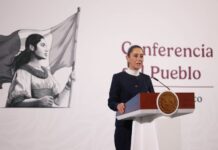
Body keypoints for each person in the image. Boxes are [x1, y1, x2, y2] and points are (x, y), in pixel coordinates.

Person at [6, 33, 74, 107]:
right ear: (32, 47)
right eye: (42, 45)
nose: (46, 49)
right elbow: (17, 103)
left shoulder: (47, 72)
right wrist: (37, 102)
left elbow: (57, 102)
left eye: (46, 46)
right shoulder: (23, 72)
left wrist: (68, 85)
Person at [108, 45, 154, 150]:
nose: (139, 59)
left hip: (143, 128)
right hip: (125, 128)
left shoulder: (146, 79)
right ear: (127, 57)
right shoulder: (118, 78)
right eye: (136, 56)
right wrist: (117, 105)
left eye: (141, 56)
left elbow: (153, 100)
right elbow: (111, 101)